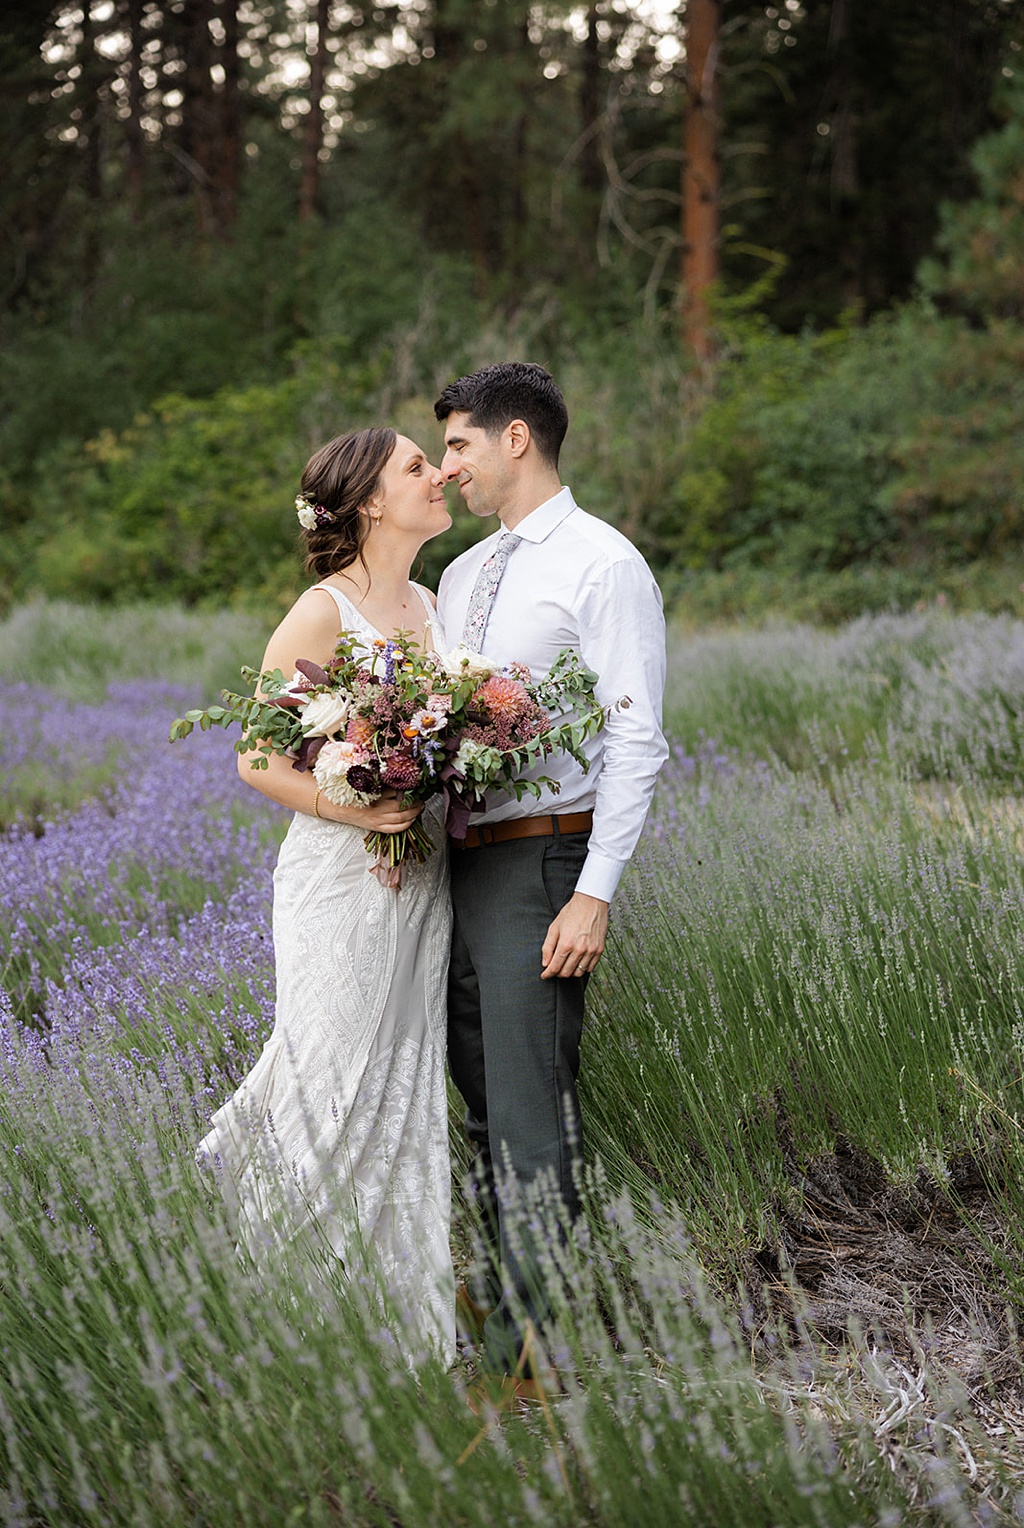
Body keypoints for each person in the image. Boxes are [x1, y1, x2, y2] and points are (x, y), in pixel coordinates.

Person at [197, 427, 456, 1366]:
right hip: (338, 878)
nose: (440, 475)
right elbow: (257, 757)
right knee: (330, 1079)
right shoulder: (320, 614)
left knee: (402, 1084)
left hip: (424, 880)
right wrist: (364, 812)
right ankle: (276, 1311)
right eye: (418, 467)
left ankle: (397, 1337)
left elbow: (445, 732)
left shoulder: (437, 602)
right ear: (371, 502)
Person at [434, 362, 668, 1398]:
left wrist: (594, 890)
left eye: (457, 447)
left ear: (514, 438)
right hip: (457, 869)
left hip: (543, 863)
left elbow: (637, 736)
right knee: (481, 1116)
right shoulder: (457, 575)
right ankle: (501, 1334)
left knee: (532, 1118)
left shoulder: (602, 565)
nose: (447, 469)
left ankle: (529, 1368)